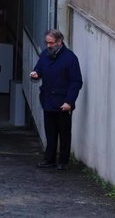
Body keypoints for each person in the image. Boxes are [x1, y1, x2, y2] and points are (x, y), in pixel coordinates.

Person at [30, 29, 83, 170]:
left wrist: (69, 102)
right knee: (50, 132)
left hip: (62, 103)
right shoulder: (45, 55)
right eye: (47, 42)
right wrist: (35, 74)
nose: (48, 45)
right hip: (48, 100)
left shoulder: (70, 58)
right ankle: (49, 159)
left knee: (64, 133)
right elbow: (39, 69)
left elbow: (76, 82)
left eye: (51, 43)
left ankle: (63, 161)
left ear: (59, 42)